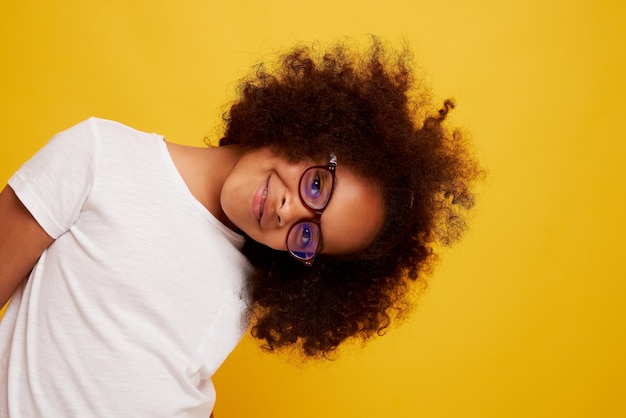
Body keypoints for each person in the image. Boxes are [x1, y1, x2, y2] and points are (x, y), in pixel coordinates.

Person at [0, 39, 482, 417]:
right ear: (310, 128)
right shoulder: (101, 155)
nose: (289, 212)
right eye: (316, 184)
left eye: (310, 235)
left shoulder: (250, 282)